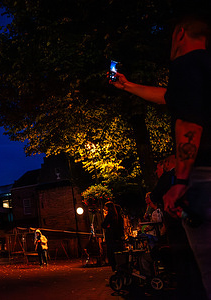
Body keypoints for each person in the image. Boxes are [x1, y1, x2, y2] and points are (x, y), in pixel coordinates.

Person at [110, 13, 211, 298]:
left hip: (202, 179)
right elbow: (170, 96)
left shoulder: (186, 62)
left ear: (180, 34)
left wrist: (179, 181)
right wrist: (127, 85)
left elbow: (188, 121)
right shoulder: (205, 68)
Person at [101, 201, 124, 271]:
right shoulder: (118, 217)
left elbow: (103, 225)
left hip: (111, 237)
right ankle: (120, 265)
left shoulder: (109, 216)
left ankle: (114, 266)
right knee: (118, 252)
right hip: (117, 237)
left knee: (111, 252)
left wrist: (108, 226)